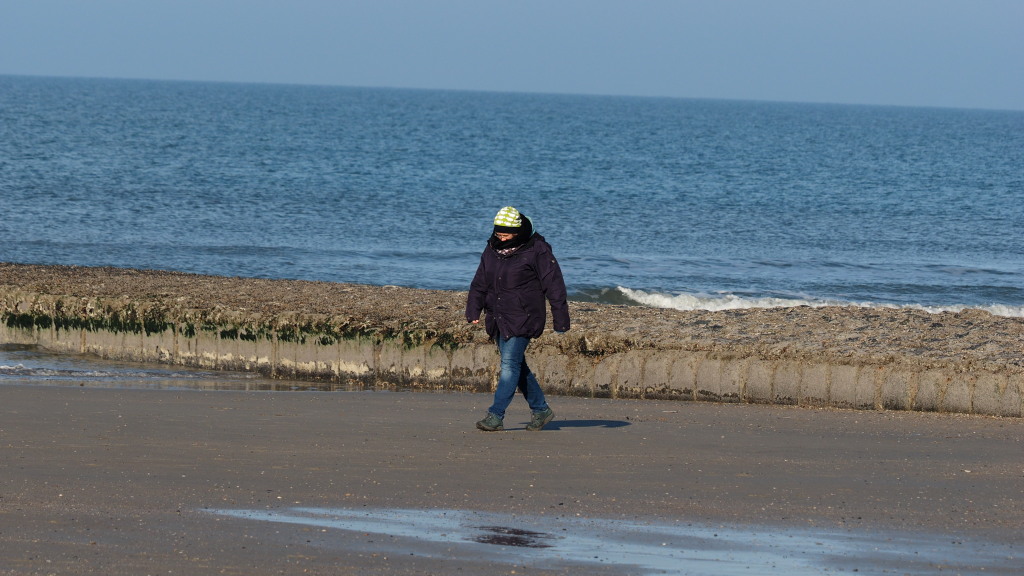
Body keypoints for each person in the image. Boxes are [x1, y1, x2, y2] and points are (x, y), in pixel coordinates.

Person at [466, 206, 570, 432]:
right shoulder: (492, 247)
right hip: (498, 316)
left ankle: (495, 415)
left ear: (518, 232)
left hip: (524, 316)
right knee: (516, 365)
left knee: (509, 366)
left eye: (506, 234)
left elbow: (554, 284)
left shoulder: (537, 249)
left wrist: (560, 320)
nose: (501, 238)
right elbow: (480, 281)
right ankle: (541, 410)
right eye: (498, 233)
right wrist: (473, 309)